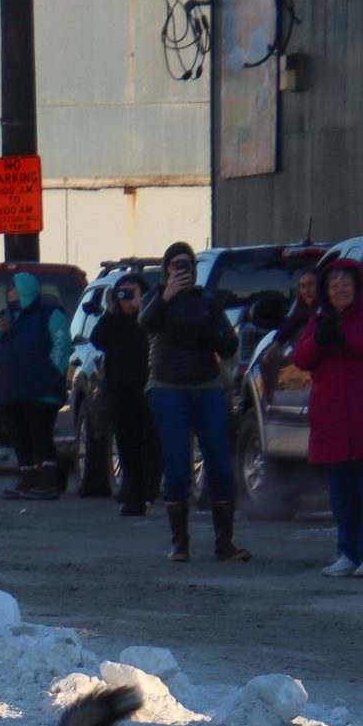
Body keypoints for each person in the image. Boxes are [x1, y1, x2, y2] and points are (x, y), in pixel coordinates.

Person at [291, 257, 363, 579]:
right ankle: (347, 553)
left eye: (345, 283)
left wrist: (344, 339)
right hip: (333, 425)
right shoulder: (320, 321)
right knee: (342, 496)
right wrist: (320, 339)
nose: (339, 289)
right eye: (333, 284)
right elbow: (300, 358)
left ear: (357, 287)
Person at [141, 240, 246, 562]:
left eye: (187, 264)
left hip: (207, 386)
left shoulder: (207, 301)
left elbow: (229, 345)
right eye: (176, 265)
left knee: (220, 465)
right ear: (166, 269)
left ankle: (224, 542)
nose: (182, 270)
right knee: (177, 468)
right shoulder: (155, 298)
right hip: (168, 387)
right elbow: (145, 324)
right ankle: (179, 543)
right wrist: (167, 295)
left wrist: (210, 333)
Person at [0, 270, 70, 501]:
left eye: (13, 288)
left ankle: (49, 481)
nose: (9, 292)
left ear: (24, 289)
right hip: (9, 392)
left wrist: (54, 372)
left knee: (40, 434)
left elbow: (61, 343)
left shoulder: (49, 313)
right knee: (19, 437)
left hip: (41, 389)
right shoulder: (5, 318)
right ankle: (28, 479)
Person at [89, 274, 158, 515]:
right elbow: (97, 339)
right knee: (127, 443)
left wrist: (143, 306)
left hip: (151, 389)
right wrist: (109, 310)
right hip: (121, 391)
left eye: (132, 292)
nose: (126, 298)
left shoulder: (150, 317)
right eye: (123, 293)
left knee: (153, 442)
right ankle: (135, 495)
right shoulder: (114, 321)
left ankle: (150, 490)